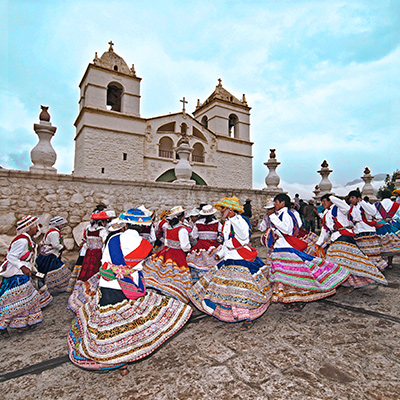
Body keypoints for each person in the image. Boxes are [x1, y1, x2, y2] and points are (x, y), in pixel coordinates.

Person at [67, 210, 192, 374]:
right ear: (142, 227)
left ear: (125, 224)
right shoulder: (145, 245)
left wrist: (115, 269)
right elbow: (138, 265)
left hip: (108, 283)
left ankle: (110, 356)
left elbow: (104, 262)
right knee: (128, 321)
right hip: (131, 285)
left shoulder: (113, 239)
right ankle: (126, 355)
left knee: (108, 320)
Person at [189, 197, 272, 330]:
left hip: (240, 259)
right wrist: (220, 254)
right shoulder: (227, 223)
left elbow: (244, 236)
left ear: (231, 210)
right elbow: (227, 242)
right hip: (229, 258)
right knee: (230, 290)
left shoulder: (240, 221)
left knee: (242, 290)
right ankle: (232, 313)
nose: (221, 211)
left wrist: (233, 219)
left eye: (223, 209)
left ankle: (247, 316)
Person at [268, 194, 349, 311]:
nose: (274, 204)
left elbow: (287, 230)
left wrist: (273, 219)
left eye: (276, 202)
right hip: (281, 247)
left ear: (282, 203)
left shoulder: (285, 214)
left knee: (296, 275)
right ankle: (292, 298)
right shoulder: (281, 214)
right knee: (288, 276)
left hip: (286, 247)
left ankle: (301, 299)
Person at [315, 194, 387, 288]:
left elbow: (346, 207)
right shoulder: (325, 214)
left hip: (344, 235)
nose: (323, 203)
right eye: (322, 202)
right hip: (335, 237)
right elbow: (325, 230)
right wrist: (319, 243)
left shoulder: (339, 208)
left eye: (325, 201)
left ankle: (353, 279)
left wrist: (332, 197)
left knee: (347, 260)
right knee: (337, 260)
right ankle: (344, 281)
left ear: (330, 201)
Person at [0, 216, 44, 338]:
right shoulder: (22, 241)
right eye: (35, 226)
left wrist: (31, 270)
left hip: (22, 274)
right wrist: (22, 267)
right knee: (14, 303)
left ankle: (21, 324)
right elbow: (11, 257)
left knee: (26, 300)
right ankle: (2, 326)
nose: (37, 228)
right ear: (29, 228)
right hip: (16, 275)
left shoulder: (28, 240)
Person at [142, 206, 192, 303]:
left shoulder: (167, 227)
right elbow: (185, 246)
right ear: (182, 217)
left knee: (163, 271)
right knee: (177, 274)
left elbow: (165, 241)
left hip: (166, 251)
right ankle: (173, 292)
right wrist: (189, 249)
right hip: (178, 254)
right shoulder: (182, 230)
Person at [346, 190, 387, 270]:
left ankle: (377, 267)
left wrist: (362, 203)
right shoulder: (352, 208)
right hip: (358, 231)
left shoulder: (365, 204)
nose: (351, 199)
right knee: (364, 252)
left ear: (358, 198)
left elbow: (373, 212)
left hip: (368, 230)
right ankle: (368, 269)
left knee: (372, 251)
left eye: (353, 197)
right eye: (350, 198)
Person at [186, 204, 222, 282]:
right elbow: (221, 234)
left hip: (200, 246)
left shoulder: (198, 223)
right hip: (213, 245)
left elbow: (194, 236)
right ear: (212, 214)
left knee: (197, 264)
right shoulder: (217, 223)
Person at [35, 216, 71, 292]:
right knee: (56, 270)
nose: (63, 226)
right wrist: (62, 247)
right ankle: (56, 287)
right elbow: (55, 245)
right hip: (50, 255)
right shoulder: (54, 233)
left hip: (46, 253)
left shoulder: (51, 231)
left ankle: (45, 285)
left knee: (43, 270)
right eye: (61, 225)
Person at [374, 190, 400, 268]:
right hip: (392, 225)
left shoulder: (377, 205)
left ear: (381, 197)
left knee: (380, 244)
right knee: (391, 244)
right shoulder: (397, 205)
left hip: (379, 225)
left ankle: (381, 263)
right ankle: (390, 262)